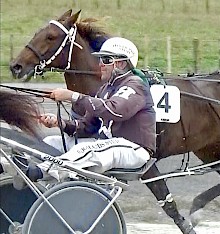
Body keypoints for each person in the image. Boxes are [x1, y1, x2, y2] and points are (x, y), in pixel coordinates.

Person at [19, 37, 156, 181]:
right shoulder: (105, 89)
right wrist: (60, 123)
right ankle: (19, 163)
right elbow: (86, 128)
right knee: (51, 141)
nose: (101, 64)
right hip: (107, 145)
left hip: (134, 149)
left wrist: (73, 96)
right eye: (100, 59)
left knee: (85, 150)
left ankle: (40, 172)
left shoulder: (135, 85)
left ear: (121, 64)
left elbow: (115, 110)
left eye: (106, 60)